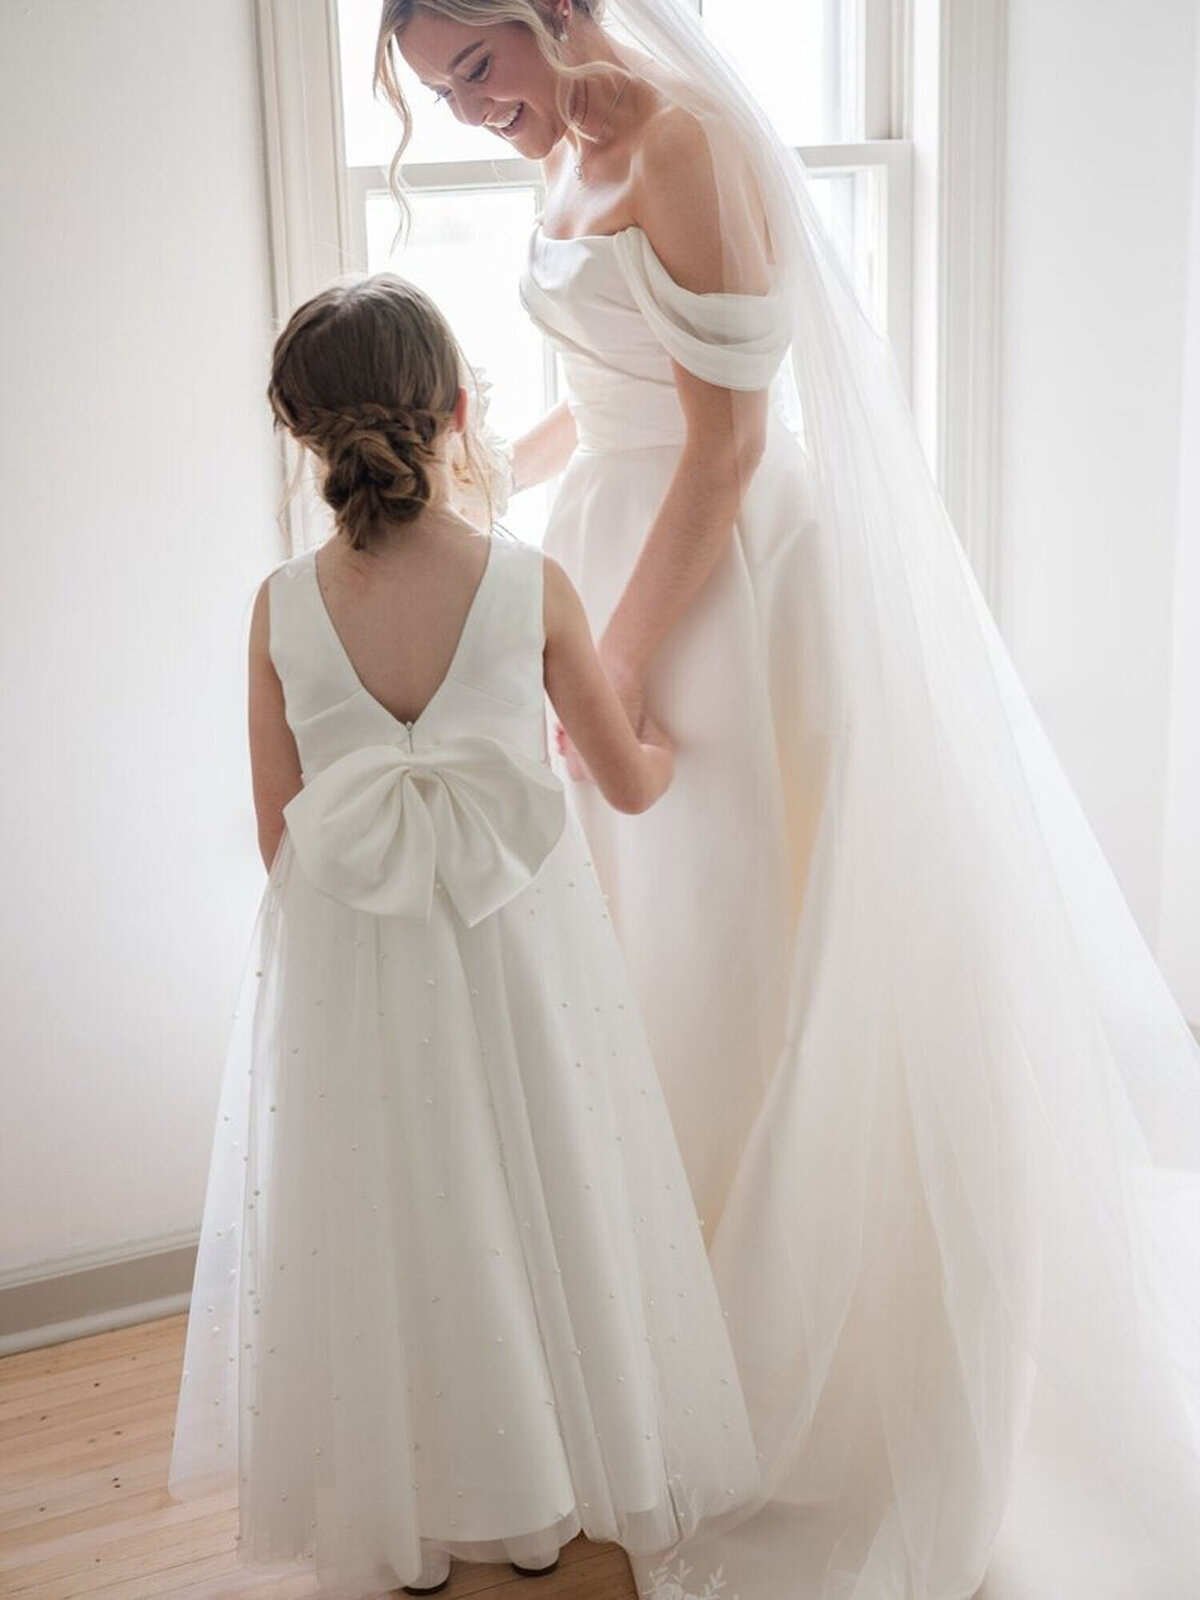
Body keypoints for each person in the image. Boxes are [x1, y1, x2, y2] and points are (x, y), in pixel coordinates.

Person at [377, 3, 1200, 1598]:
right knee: (641, 967)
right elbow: (613, 386)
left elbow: (727, 442)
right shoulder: (574, 139)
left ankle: (775, 1378)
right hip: (616, 542)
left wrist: (607, 669)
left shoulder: (678, 138)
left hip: (723, 594)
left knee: (740, 957)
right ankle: (647, 1354)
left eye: (480, 64)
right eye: (438, 88)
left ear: (551, 9)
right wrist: (481, 491)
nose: (473, 107)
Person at [165, 272, 763, 1599]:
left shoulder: (277, 609)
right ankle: (551, 1489)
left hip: (361, 968)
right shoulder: (530, 585)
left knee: (403, 1208)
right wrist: (664, 748)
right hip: (520, 954)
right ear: (453, 409)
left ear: (300, 432)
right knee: (541, 1182)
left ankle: (418, 1505)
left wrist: (387, 868)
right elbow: (622, 781)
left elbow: (282, 835)